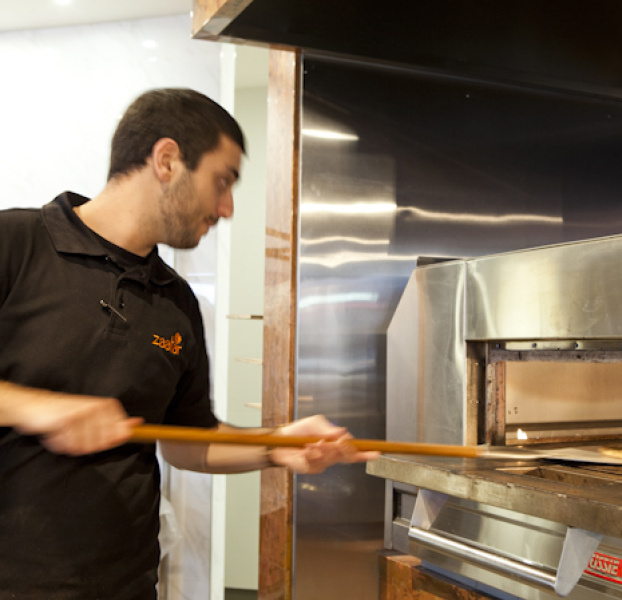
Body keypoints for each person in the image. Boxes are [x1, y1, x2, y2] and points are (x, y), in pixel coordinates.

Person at [0, 88, 377, 600]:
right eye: (222, 181)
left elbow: (189, 441)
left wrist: (279, 445)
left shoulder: (176, 302)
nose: (227, 208)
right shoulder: (15, 244)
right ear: (167, 160)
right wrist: (39, 409)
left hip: (126, 585)